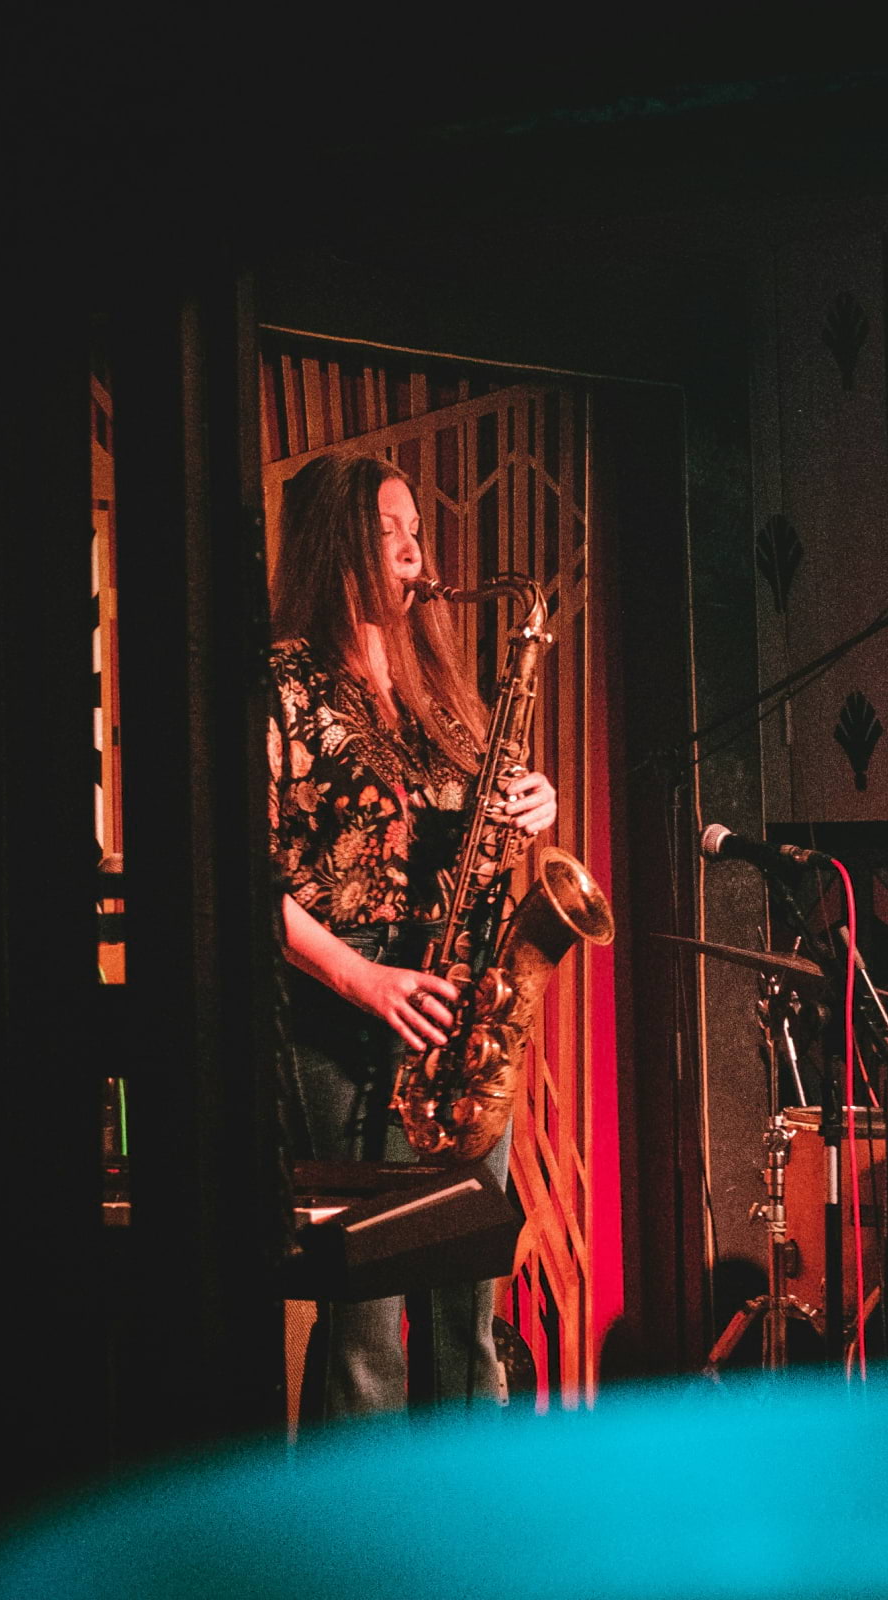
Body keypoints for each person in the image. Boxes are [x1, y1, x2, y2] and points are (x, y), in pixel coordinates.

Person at [266, 448, 557, 1415]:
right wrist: (362, 979)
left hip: (460, 1013)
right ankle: (358, 1548)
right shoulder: (279, 683)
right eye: (386, 532)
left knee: (467, 1302)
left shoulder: (435, 682)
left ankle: (466, 1525)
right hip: (347, 1019)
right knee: (368, 1321)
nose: (410, 553)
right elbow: (233, 875)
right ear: (333, 547)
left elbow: (485, 812)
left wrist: (534, 803)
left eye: (415, 532)